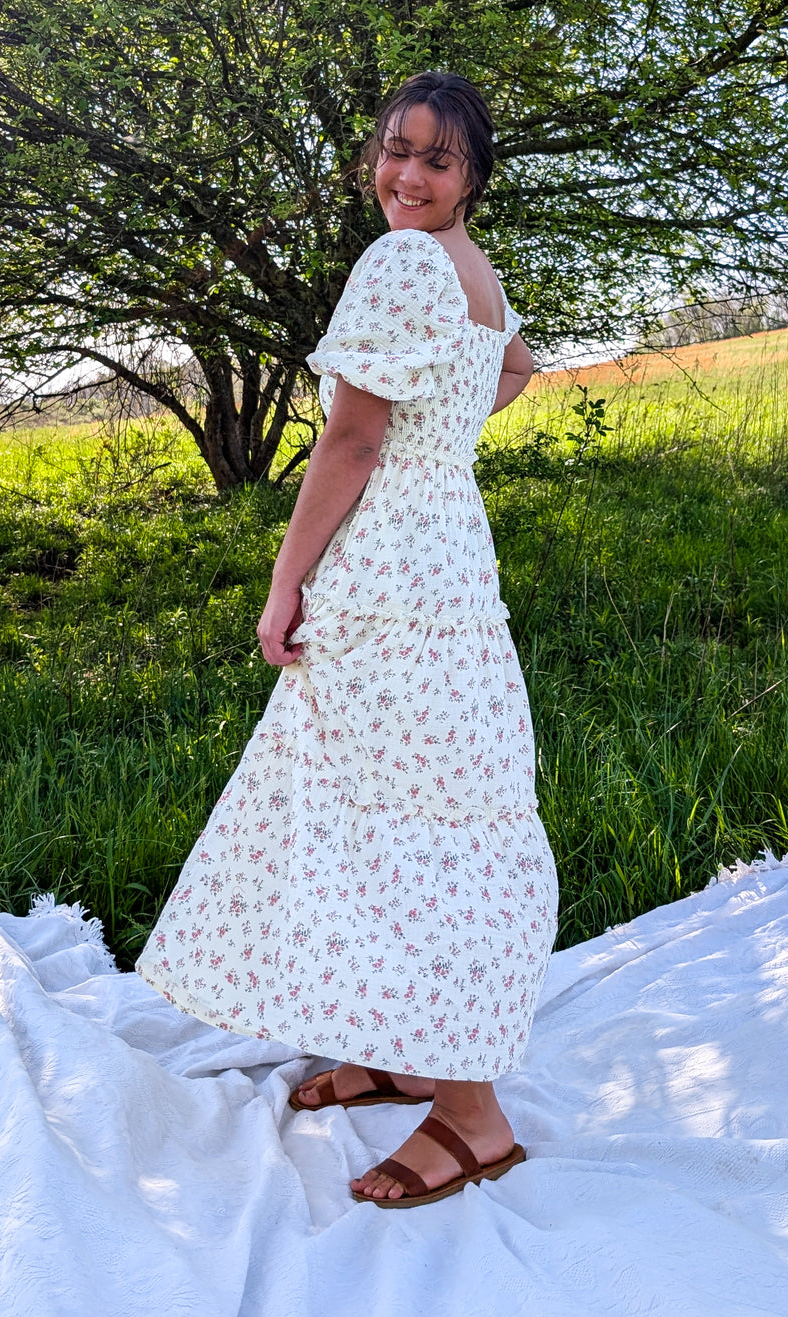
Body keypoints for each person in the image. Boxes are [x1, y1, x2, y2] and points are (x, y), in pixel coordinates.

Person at [136, 71, 558, 1208]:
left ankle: (471, 1117)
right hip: (449, 563)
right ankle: (399, 1044)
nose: (407, 176)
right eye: (395, 151)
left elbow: (354, 442)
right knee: (387, 801)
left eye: (436, 161)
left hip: (385, 579)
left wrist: (285, 582)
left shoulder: (405, 262)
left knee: (406, 823)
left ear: (472, 177)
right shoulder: (477, 275)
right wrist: (447, 439)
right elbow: (512, 371)